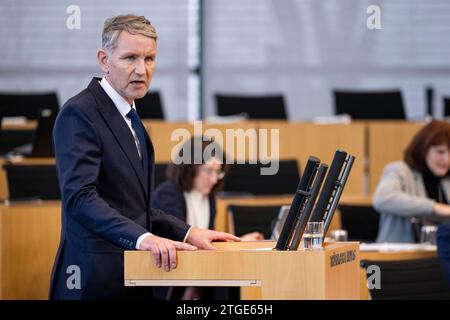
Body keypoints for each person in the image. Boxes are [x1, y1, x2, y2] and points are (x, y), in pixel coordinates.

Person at [49, 14, 239, 300]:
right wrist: (144, 238)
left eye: (149, 59)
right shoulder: (80, 113)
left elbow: (134, 208)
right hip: (92, 281)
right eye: (130, 58)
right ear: (104, 60)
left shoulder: (132, 117)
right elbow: (80, 199)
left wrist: (188, 233)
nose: (141, 69)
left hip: (135, 277)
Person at [151, 137, 263, 299]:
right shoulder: (168, 193)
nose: (215, 179)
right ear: (189, 168)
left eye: (218, 172)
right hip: (169, 276)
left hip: (195, 277)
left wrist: (239, 243)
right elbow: (181, 243)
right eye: (209, 171)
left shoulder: (209, 197)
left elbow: (205, 242)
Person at [373, 120, 450, 243]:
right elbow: (382, 198)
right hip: (401, 257)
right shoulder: (399, 170)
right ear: (423, 149)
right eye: (440, 152)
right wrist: (435, 207)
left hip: (439, 256)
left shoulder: (446, 180)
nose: (446, 159)